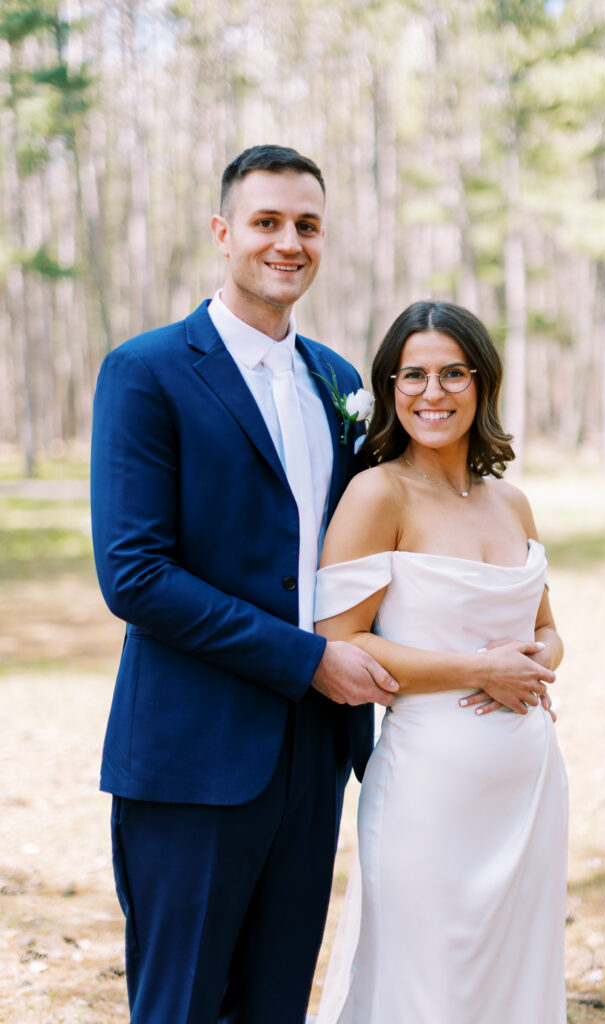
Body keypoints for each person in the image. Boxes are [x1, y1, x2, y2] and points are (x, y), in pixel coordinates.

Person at [90, 144, 399, 1024]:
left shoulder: (338, 381)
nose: (287, 242)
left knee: (275, 1005)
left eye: (306, 225)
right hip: (193, 757)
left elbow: (369, 558)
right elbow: (135, 575)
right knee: (181, 1005)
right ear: (224, 233)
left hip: (316, 753)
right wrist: (307, 660)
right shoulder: (146, 371)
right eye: (266, 222)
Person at [314, 301, 568, 1024]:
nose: (433, 393)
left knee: (513, 987)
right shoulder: (378, 493)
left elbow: (547, 629)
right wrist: (480, 669)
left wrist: (537, 661)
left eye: (452, 373)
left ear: (481, 382)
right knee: (425, 989)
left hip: (529, 790)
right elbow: (340, 642)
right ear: (391, 387)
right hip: (428, 791)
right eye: (414, 375)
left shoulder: (510, 501)